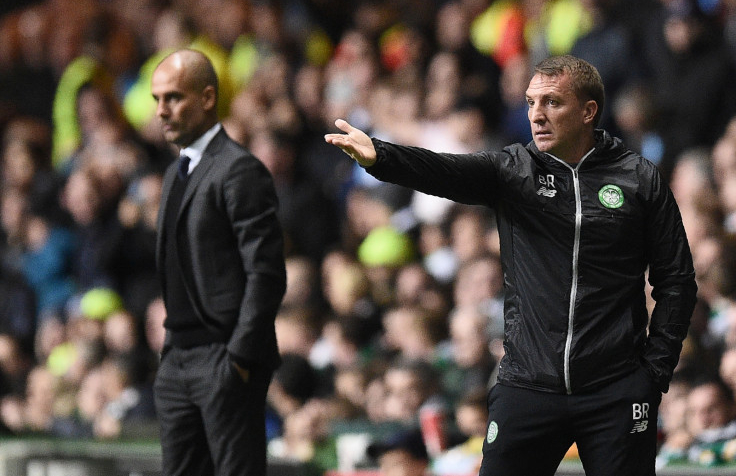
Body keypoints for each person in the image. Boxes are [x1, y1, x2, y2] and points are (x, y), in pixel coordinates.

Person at [325, 54, 698, 476]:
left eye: (552, 102)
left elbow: (677, 281)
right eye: (530, 102)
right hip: (528, 384)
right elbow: (444, 171)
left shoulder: (638, 178)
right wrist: (382, 158)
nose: (536, 115)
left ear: (588, 111)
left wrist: (653, 373)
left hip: (615, 387)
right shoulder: (514, 170)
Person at [150, 49, 287, 476]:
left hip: (223, 358)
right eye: (157, 99)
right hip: (179, 358)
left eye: (173, 97)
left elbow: (266, 273)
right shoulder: (176, 172)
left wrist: (240, 359)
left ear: (208, 98)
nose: (161, 110)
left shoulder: (239, 169)